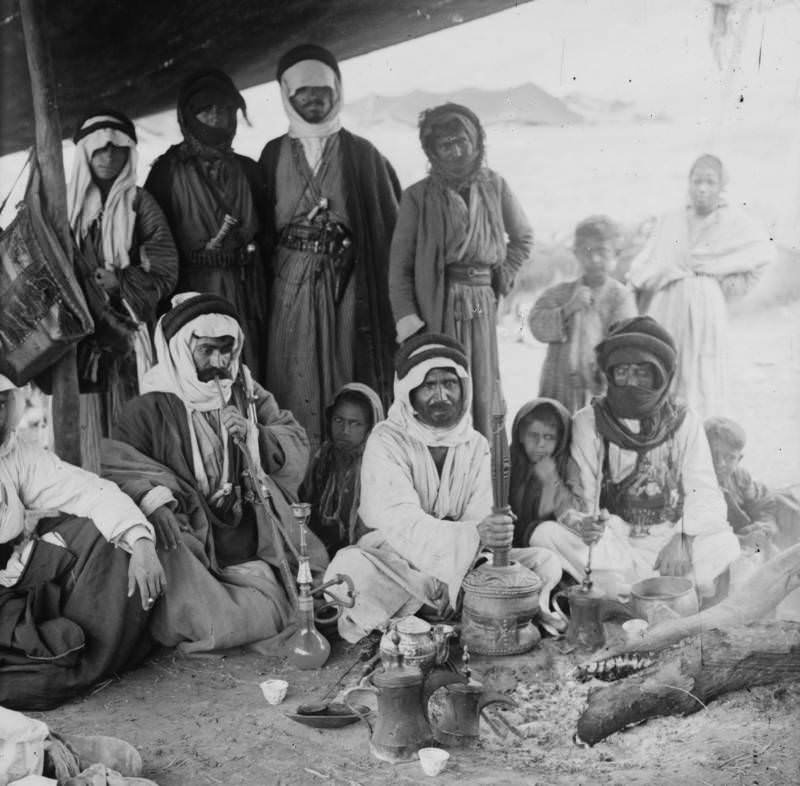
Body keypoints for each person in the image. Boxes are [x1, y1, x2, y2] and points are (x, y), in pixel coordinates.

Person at [102, 292, 328, 654]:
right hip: (190, 545)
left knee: (292, 604)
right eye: (207, 350)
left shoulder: (247, 392)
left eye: (227, 349)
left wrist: (255, 437)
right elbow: (115, 466)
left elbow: (295, 445)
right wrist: (154, 497)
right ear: (178, 349)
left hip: (245, 540)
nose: (220, 361)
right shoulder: (146, 408)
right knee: (224, 620)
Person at [324, 334, 562, 643]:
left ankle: (428, 617)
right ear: (409, 390)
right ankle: (471, 613)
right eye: (428, 385)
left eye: (449, 384)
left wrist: (487, 534)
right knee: (348, 570)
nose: (441, 395)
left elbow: (479, 515)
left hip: (464, 569)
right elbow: (401, 523)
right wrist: (474, 535)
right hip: (400, 563)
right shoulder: (386, 440)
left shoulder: (476, 444)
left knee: (545, 561)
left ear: (463, 387)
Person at [531, 316, 740, 602]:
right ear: (609, 374)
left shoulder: (683, 421)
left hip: (670, 540)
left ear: (661, 375)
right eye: (623, 371)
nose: (631, 382)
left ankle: (623, 594)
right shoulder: (589, 421)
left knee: (724, 543)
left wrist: (683, 538)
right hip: (616, 541)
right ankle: (661, 593)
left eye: (642, 372)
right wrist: (586, 523)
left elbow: (704, 491)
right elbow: (584, 496)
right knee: (546, 535)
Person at [259, 44, 401, 449]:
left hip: (347, 284)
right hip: (289, 285)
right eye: (303, 92)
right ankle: (301, 479)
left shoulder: (363, 154)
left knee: (347, 372)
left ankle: (350, 477)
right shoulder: (272, 154)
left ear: (337, 90)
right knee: (291, 375)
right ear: (287, 94)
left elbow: (388, 225)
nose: (314, 98)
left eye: (322, 89)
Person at [0, 375, 165, 710]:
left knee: (103, 533)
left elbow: (88, 490)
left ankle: (93, 649)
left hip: (12, 584)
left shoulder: (14, 455)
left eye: (0, 404)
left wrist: (141, 541)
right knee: (49, 674)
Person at [389, 103, 534, 441]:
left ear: (477, 141)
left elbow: (523, 237)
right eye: (445, 144)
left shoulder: (495, 186)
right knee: (441, 385)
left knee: (483, 386)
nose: (455, 151)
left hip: (482, 303)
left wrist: (502, 275)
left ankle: (484, 471)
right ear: (431, 151)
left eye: (461, 141)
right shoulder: (417, 198)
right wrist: (410, 322)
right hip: (437, 305)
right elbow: (399, 268)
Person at [627, 154, 775, 418]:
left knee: (701, 374)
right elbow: (647, 263)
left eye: (710, 181)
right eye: (697, 181)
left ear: (721, 186)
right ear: (689, 184)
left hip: (706, 307)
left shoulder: (733, 223)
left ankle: (698, 438)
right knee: (665, 367)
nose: (703, 188)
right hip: (668, 305)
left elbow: (761, 255)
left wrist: (727, 285)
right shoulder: (670, 220)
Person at [145, 69, 268, 382]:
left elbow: (268, 237)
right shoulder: (166, 173)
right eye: (207, 110)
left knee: (246, 371)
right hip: (191, 294)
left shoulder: (249, 171)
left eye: (225, 110)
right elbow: (154, 243)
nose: (216, 118)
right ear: (189, 116)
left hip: (245, 291)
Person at [67, 109, 178, 434]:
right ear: (85, 151)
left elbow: (166, 269)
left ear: (129, 152)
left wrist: (122, 282)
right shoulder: (65, 209)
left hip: (127, 331)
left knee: (132, 415)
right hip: (77, 333)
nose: (108, 156)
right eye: (100, 148)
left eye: (116, 148)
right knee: (85, 421)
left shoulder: (140, 204)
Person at [528, 216, 636, 412]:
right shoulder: (560, 293)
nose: (594, 259)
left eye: (602, 252)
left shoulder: (620, 298)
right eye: (587, 252)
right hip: (558, 388)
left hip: (598, 390)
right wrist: (568, 309)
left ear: (616, 254)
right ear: (576, 254)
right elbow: (536, 325)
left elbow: (625, 343)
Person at [299, 383, 384, 559]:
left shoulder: (381, 465)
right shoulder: (324, 456)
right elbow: (306, 506)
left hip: (369, 555)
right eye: (339, 420)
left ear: (371, 427)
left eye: (355, 424)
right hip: (322, 552)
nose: (345, 431)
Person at [704, 416, 779, 555]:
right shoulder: (697, 483)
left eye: (730, 457)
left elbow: (761, 504)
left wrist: (764, 525)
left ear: (739, 459)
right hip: (720, 548)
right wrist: (741, 540)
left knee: (773, 556)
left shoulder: (740, 477)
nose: (720, 464)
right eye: (713, 455)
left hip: (749, 539)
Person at [509, 398, 576, 547]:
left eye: (549, 437)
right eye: (533, 435)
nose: (540, 444)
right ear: (520, 435)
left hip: (552, 547)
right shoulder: (509, 461)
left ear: (560, 440)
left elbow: (562, 517)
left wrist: (550, 481)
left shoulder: (567, 466)